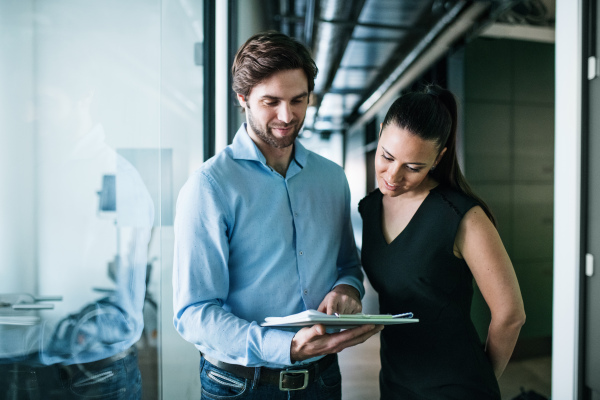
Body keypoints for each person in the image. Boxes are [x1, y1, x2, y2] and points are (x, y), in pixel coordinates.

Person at [172, 31, 383, 399]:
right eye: (271, 101)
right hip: (240, 385)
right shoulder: (209, 186)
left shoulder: (331, 178)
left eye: (298, 100)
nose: (287, 116)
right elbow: (194, 312)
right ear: (243, 99)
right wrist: (283, 348)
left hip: (322, 379)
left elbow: (348, 266)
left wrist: (346, 291)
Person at [358, 84, 526, 399]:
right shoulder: (369, 207)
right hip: (395, 380)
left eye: (413, 167)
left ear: (438, 158)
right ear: (380, 134)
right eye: (387, 156)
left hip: (455, 385)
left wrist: (478, 379)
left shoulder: (462, 217)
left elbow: (510, 314)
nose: (393, 176)